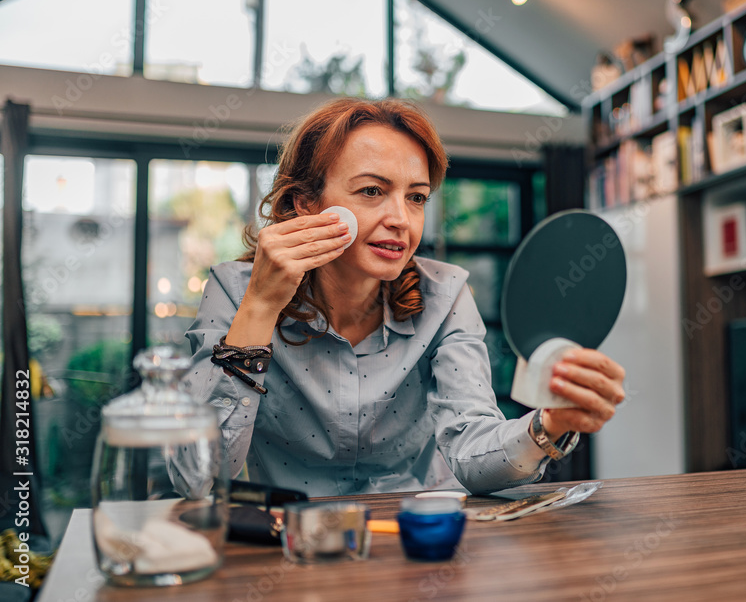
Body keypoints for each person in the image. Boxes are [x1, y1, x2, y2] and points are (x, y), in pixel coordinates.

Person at [185, 98, 626, 497]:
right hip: (298, 549)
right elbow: (197, 477)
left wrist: (549, 425)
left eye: (416, 197)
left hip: (424, 540)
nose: (401, 219)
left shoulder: (446, 295)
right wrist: (260, 308)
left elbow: (471, 445)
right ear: (305, 203)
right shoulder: (235, 293)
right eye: (372, 191)